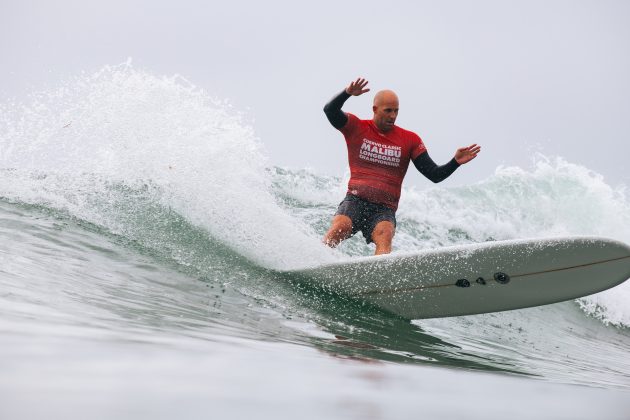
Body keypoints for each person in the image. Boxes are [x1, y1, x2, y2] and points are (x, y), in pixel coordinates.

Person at [322, 77, 480, 255]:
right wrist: (347, 93)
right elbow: (330, 110)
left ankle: (379, 275)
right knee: (340, 226)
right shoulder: (357, 127)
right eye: (388, 110)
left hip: (384, 208)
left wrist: (455, 162)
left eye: (396, 111)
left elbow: (434, 174)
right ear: (375, 109)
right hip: (355, 200)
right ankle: (317, 259)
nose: (393, 116)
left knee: (385, 233)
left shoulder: (410, 139)